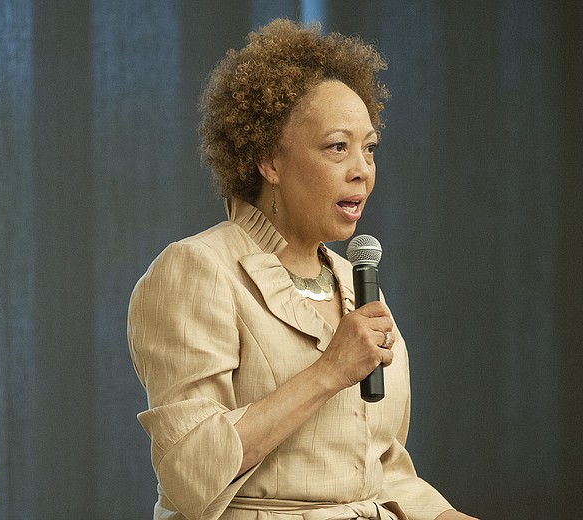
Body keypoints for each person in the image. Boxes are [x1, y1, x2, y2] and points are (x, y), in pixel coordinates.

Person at [127, 19, 477, 520]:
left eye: (369, 148)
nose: (362, 168)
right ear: (269, 161)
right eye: (338, 147)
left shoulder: (355, 279)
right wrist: (328, 373)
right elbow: (188, 473)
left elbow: (382, 469)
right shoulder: (195, 270)